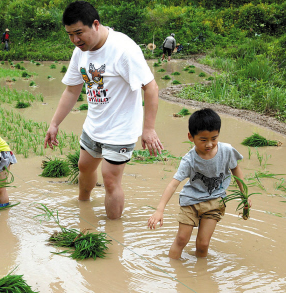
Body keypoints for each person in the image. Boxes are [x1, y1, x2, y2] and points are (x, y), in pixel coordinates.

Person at [44, 1, 163, 220]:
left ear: (95, 24)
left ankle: (112, 231)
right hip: (94, 124)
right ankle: (83, 207)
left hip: (120, 129)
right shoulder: (80, 51)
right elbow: (72, 90)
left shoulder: (124, 49)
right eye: (70, 34)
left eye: (79, 33)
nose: (75, 40)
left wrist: (148, 129)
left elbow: (151, 87)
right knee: (84, 167)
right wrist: (54, 123)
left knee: (110, 179)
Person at [147, 108, 249, 259]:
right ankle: (173, 272)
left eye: (214, 138)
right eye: (203, 140)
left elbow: (236, 170)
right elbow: (173, 184)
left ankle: (201, 275)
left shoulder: (227, 151)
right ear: (191, 137)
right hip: (190, 202)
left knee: (203, 244)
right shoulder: (189, 160)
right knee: (182, 239)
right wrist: (159, 210)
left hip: (215, 202)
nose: (209, 144)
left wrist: (244, 195)